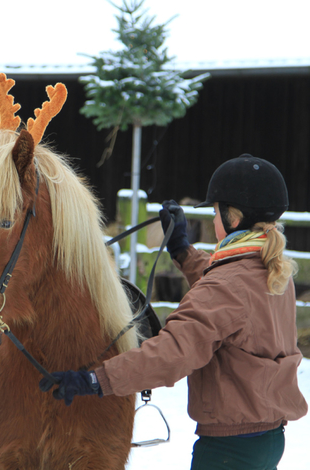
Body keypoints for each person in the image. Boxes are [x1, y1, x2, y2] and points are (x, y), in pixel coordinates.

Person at [40, 154, 308, 469]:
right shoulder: (272, 270)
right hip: (268, 438)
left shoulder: (228, 285)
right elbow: (228, 297)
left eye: (214, 211)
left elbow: (172, 353)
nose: (211, 219)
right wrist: (182, 249)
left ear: (233, 219)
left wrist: (97, 380)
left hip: (227, 451)